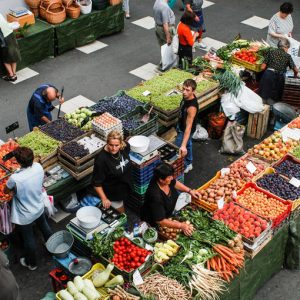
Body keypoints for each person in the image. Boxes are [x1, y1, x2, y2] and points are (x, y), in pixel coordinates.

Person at [4, 147, 53, 271]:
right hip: (38, 205)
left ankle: (32, 263)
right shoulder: (38, 167)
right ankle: (53, 248)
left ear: (19, 162)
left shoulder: (15, 178)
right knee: (44, 227)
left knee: (29, 239)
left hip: (25, 214)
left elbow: (6, 190)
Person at [141, 163, 200, 236]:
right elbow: (160, 220)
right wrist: (181, 226)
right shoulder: (156, 196)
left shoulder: (164, 178)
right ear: (161, 180)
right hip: (153, 219)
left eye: (171, 176)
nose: (172, 178)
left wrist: (190, 191)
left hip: (167, 212)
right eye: (169, 177)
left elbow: (174, 183)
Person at [91, 131, 132, 213]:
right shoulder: (101, 160)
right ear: (107, 143)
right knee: (121, 214)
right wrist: (104, 199)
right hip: (113, 193)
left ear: (121, 143)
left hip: (126, 187)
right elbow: (96, 183)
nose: (114, 148)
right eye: (111, 145)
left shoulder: (125, 147)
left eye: (116, 145)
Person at [259, 38, 298, 105]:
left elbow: (262, 67)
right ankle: (272, 111)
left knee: (263, 96)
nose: (287, 50)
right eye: (287, 48)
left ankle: (262, 109)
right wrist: (295, 74)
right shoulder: (287, 56)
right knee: (274, 97)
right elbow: (295, 70)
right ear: (285, 47)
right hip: (279, 78)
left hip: (268, 75)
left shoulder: (270, 51)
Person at [175, 79, 198, 174]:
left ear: (193, 91)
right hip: (181, 126)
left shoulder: (192, 107)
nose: (184, 92)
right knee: (189, 144)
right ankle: (189, 162)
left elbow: (188, 127)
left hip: (185, 130)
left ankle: (183, 166)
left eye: (187, 90)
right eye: (183, 89)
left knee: (178, 149)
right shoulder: (186, 97)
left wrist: (182, 145)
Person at [153, 0, 176, 69]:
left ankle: (163, 62)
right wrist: (168, 37)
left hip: (158, 27)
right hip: (166, 29)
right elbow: (165, 24)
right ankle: (167, 66)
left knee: (162, 46)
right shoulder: (165, 7)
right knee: (170, 47)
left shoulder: (157, 1)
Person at [0, 13, 21, 82]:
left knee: (6, 59)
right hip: (10, 35)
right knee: (13, 56)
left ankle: (11, 75)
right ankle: (14, 74)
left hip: (4, 38)